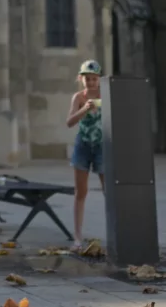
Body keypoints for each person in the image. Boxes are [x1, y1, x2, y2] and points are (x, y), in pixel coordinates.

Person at [65, 59, 105, 251]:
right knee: (80, 192)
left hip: (102, 146)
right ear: (81, 79)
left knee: (109, 192)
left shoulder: (106, 96)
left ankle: (113, 234)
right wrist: (84, 109)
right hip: (83, 145)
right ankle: (78, 237)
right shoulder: (78, 97)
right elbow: (70, 122)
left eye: (94, 79)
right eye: (87, 79)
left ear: (99, 79)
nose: (90, 82)